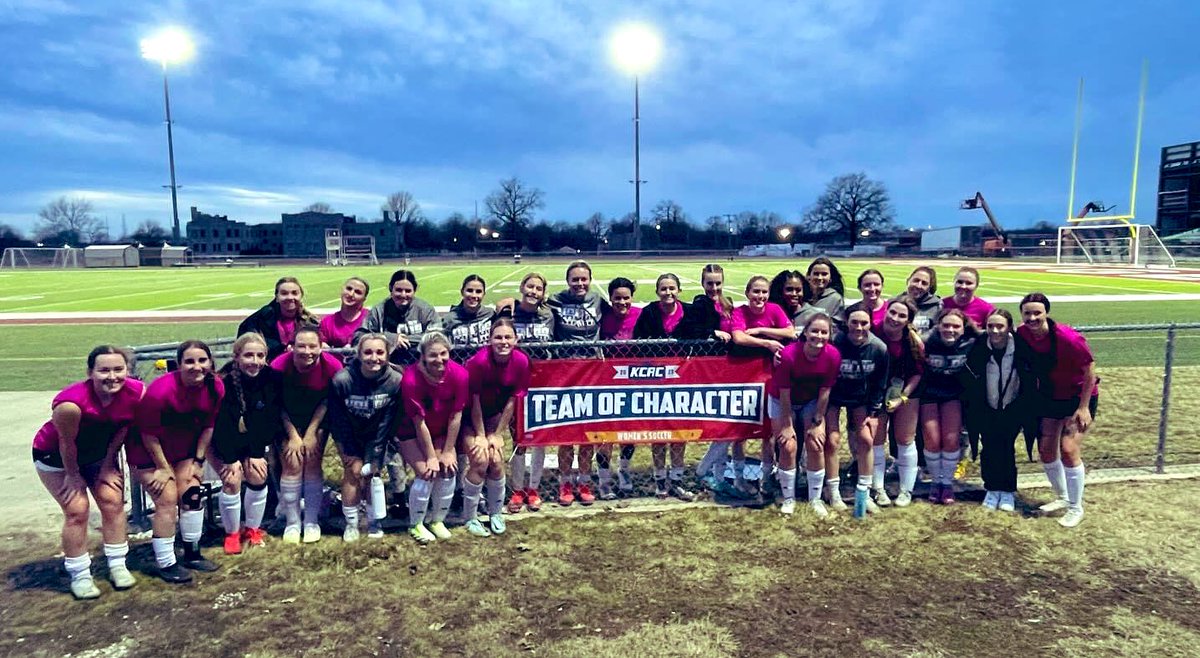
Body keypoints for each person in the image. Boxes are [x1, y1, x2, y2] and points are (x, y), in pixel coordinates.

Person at [33, 346, 143, 599]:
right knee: (77, 510)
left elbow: (122, 429)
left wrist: (107, 464)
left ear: (127, 370)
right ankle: (80, 574)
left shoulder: (136, 393)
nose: (112, 376)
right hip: (57, 456)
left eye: (118, 369)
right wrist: (73, 476)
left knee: (113, 501)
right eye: (104, 370)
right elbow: (66, 443)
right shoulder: (70, 404)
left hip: (97, 454)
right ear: (90, 372)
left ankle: (117, 565)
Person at [128, 340, 225, 583]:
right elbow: (148, 434)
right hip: (148, 453)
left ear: (210, 363)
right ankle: (166, 562)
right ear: (178, 364)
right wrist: (162, 467)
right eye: (189, 361)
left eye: (202, 360)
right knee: (167, 499)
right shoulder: (161, 392)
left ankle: (192, 552)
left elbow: (208, 426)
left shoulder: (216, 386)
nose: (196, 366)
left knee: (192, 493)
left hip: (183, 450)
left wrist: (198, 461)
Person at [1017, 292, 1099, 528]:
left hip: (1077, 397)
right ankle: (1063, 497)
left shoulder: (1068, 337)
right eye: (1027, 313)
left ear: (1046, 313)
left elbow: (1089, 370)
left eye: (1037, 313)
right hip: (1051, 396)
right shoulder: (1023, 333)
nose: (1032, 318)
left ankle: (1076, 507)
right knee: (1046, 449)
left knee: (1068, 448)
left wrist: (1083, 407)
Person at [326, 333, 404, 542]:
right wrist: (347, 450)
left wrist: (376, 452)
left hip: (378, 436)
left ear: (388, 354)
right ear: (358, 355)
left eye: (380, 352)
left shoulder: (395, 380)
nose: (374, 357)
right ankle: (351, 523)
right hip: (350, 434)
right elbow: (337, 419)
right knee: (353, 472)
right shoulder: (343, 380)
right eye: (367, 352)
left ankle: (373, 520)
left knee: (371, 474)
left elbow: (390, 420)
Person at [271, 327, 344, 543]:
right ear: (291, 347)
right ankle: (292, 523)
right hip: (285, 418)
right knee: (292, 464)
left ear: (321, 347)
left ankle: (311, 521)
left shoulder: (332, 366)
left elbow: (326, 401)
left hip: (317, 417)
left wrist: (312, 432)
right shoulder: (278, 367)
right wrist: (293, 435)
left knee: (312, 463)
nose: (307, 351)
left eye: (313, 346)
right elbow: (277, 405)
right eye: (301, 346)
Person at [211, 333, 281, 554]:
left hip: (254, 442)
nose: (255, 361)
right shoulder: (222, 382)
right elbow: (221, 426)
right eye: (249, 355)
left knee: (258, 474)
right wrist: (230, 459)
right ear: (236, 356)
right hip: (224, 443)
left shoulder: (271, 378)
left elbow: (268, 421)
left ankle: (253, 529)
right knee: (232, 481)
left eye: (260, 356)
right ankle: (231, 533)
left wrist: (257, 453)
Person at [397, 332, 470, 543]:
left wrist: (448, 451)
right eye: (433, 355)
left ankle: (437, 520)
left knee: (447, 469)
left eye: (443, 354)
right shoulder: (411, 379)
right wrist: (430, 455)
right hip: (411, 430)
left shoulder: (460, 375)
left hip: (441, 431)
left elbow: (456, 415)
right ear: (422, 356)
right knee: (426, 472)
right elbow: (418, 422)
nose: (439, 360)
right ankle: (416, 523)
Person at [724, 275, 793, 497]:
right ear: (747, 293)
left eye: (764, 292)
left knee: (768, 432)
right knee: (739, 432)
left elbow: (789, 332)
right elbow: (738, 338)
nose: (760, 296)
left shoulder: (774, 309)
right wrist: (767, 343)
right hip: (743, 379)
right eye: (755, 291)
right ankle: (739, 477)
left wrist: (761, 331)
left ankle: (765, 478)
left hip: (770, 379)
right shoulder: (740, 312)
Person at [547, 261, 609, 506]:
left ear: (590, 280)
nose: (580, 284)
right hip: (566, 372)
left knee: (587, 431)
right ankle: (565, 482)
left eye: (584, 279)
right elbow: (530, 305)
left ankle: (583, 480)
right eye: (575, 279)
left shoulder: (597, 301)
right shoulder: (556, 300)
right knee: (567, 430)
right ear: (567, 281)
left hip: (592, 371)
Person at [632, 273, 697, 500]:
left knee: (680, 430)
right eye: (663, 289)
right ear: (657, 291)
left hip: (683, 379)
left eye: (672, 288)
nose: (668, 293)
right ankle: (660, 479)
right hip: (655, 379)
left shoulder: (689, 311)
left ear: (678, 290)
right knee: (658, 430)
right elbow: (638, 341)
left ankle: (677, 479)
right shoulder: (649, 312)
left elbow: (701, 332)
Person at [963, 309, 1035, 513]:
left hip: (1012, 406)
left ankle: (1008, 490)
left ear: (1009, 327)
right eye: (990, 326)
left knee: (1006, 448)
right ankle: (992, 488)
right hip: (986, 407)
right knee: (989, 448)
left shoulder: (1020, 347)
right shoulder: (979, 347)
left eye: (1000, 326)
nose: (995, 331)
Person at [463, 318, 530, 536]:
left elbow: (513, 400)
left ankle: (495, 512)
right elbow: (473, 400)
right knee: (481, 460)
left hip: (494, 415)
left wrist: (497, 434)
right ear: (489, 340)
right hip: (468, 416)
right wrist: (482, 435)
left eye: (508, 337)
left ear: (516, 339)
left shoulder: (520, 361)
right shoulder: (479, 362)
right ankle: (470, 517)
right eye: (498, 337)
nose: (503, 342)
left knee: (497, 461)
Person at [773, 315, 842, 516]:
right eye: (814, 331)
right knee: (788, 445)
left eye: (824, 332)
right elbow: (784, 392)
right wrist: (787, 424)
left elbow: (825, 391)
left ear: (829, 335)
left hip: (811, 402)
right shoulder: (789, 354)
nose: (818, 336)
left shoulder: (833, 355)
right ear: (805, 332)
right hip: (781, 400)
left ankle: (815, 498)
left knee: (815, 442)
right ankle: (788, 498)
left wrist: (818, 421)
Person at [827, 306, 890, 517]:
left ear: (871, 324)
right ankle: (833, 490)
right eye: (854, 322)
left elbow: (880, 382)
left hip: (859, 399)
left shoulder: (878, 348)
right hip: (833, 396)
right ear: (847, 323)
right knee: (832, 440)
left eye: (864, 323)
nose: (859, 327)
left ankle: (864, 490)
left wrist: (873, 412)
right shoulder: (835, 342)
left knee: (866, 440)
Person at [499, 272, 553, 512]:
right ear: (522, 287)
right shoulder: (508, 314)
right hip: (514, 383)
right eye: (529, 286)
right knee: (519, 439)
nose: (533, 291)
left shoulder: (549, 314)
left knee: (540, 438)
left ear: (543, 293)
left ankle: (534, 488)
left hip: (542, 383)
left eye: (538, 288)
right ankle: (517, 489)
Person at [917, 309, 979, 504]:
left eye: (955, 326)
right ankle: (936, 482)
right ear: (938, 326)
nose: (950, 330)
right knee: (932, 441)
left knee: (951, 441)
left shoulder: (972, 342)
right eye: (946, 325)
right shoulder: (926, 341)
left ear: (963, 329)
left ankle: (947, 483)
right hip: (929, 394)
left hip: (953, 394)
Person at [871, 298, 925, 507]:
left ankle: (906, 490)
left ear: (908, 321)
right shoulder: (872, 331)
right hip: (876, 393)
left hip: (905, 392)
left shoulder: (912, 341)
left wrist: (902, 398)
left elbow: (917, 374)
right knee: (876, 439)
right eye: (892, 312)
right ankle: (878, 488)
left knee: (905, 438)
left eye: (902, 316)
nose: (895, 318)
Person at [689, 264, 736, 493]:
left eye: (718, 283)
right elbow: (690, 330)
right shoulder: (700, 303)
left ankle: (717, 476)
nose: (714, 287)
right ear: (702, 283)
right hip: (708, 373)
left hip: (728, 371)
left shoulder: (727, 304)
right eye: (710, 283)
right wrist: (711, 333)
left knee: (727, 428)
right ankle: (703, 471)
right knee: (722, 428)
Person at [598, 277, 639, 499]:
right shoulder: (603, 317)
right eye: (617, 298)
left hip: (633, 383)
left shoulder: (640, 315)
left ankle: (624, 471)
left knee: (629, 431)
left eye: (626, 297)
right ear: (610, 298)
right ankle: (604, 480)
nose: (622, 302)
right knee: (605, 433)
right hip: (606, 383)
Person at [353, 269, 443, 356]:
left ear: (415, 290)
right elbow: (359, 337)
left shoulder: (425, 310)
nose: (403, 295)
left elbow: (437, 336)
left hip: (418, 364)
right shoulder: (379, 310)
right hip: (385, 365)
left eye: (408, 291)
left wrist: (405, 340)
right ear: (390, 288)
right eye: (398, 290)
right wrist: (390, 338)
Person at [238, 277, 319, 360]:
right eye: (284, 293)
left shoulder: (311, 323)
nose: (290, 297)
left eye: (294, 293)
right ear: (276, 297)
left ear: (301, 296)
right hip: (267, 368)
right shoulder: (258, 320)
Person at [443, 274, 495, 348]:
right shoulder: (449, 319)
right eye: (469, 290)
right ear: (462, 292)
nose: (474, 295)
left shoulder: (491, 315)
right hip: (459, 359)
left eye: (478, 291)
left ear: (484, 294)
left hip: (485, 359)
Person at [318, 277, 370, 349]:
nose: (351, 294)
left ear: (364, 299)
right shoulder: (327, 322)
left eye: (358, 292)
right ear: (342, 290)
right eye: (349, 289)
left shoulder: (370, 319)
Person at [901, 266, 943, 338]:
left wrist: (920, 339)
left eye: (924, 283)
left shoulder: (938, 307)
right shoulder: (895, 302)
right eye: (916, 280)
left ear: (929, 288)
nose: (918, 286)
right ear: (908, 281)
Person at [807, 257, 846, 327]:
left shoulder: (835, 299)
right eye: (816, 274)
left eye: (824, 274)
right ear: (809, 276)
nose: (819, 277)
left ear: (830, 278)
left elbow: (837, 326)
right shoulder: (802, 295)